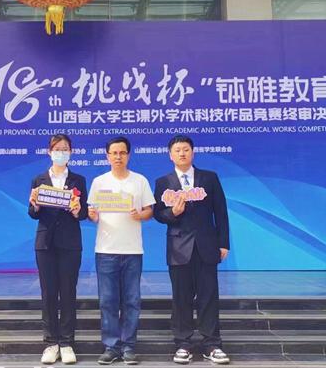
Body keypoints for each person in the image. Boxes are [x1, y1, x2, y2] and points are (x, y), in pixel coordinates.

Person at [153, 135, 230, 365]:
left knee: (209, 296)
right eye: (177, 150)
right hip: (178, 248)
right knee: (181, 297)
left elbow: (221, 212)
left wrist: (223, 243)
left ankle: (212, 344)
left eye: (186, 149)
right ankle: (183, 343)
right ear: (170, 155)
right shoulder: (163, 182)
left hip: (207, 246)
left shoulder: (209, 178)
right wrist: (173, 213)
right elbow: (158, 214)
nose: (182, 153)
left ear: (193, 152)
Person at [88, 136, 155, 365]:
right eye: (114, 153)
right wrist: (92, 215)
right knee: (107, 301)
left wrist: (140, 214)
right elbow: (92, 212)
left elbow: (149, 210)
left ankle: (128, 347)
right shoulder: (99, 182)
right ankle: (111, 347)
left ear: (128, 155)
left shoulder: (139, 181)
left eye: (122, 153)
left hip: (132, 250)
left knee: (131, 300)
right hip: (106, 249)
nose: (118, 157)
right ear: (107, 156)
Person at [28, 134, 88, 365]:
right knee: (49, 293)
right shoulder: (39, 179)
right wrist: (35, 204)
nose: (61, 153)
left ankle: (67, 342)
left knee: (68, 292)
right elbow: (33, 213)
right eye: (57, 149)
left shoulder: (78, 180)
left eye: (65, 149)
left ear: (71, 153)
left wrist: (77, 210)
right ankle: (51, 343)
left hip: (70, 243)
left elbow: (83, 213)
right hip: (45, 244)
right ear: (49, 152)